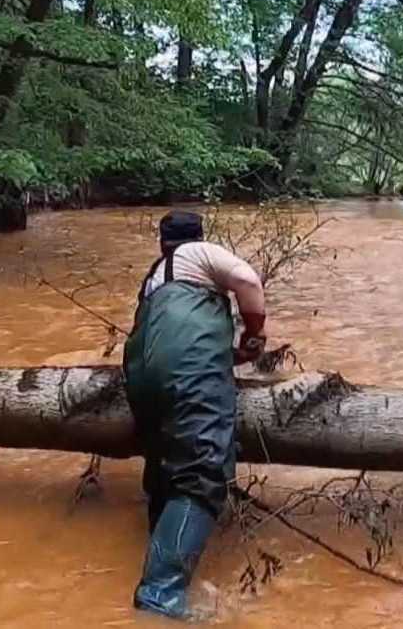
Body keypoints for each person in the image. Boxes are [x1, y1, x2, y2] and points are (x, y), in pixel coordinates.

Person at [123, 210, 267, 619]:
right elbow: (248, 281)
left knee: (165, 464)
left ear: (161, 243)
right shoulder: (202, 253)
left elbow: (164, 336)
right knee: (202, 472)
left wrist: (226, 355)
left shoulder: (152, 278)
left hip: (139, 374)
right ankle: (160, 595)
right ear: (198, 237)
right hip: (188, 369)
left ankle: (161, 541)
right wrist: (255, 334)